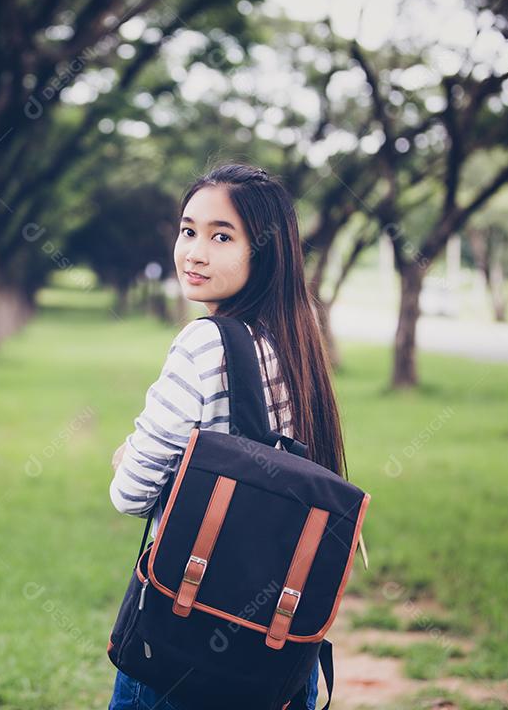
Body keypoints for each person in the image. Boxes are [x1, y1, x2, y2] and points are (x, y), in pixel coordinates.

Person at [107, 163, 350, 709]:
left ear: (263, 252)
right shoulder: (296, 342)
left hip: (189, 646)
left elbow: (130, 495)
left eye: (221, 236)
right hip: (280, 654)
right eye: (188, 230)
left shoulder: (203, 344)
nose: (194, 252)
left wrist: (128, 457)